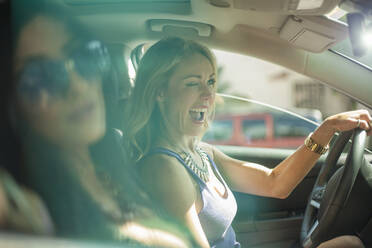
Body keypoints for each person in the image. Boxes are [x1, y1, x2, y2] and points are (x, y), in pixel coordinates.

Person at [125, 37, 371, 248]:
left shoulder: (201, 152)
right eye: (192, 83)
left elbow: (276, 183)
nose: (208, 94)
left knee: (349, 243)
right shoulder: (163, 168)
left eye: (210, 82)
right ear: (160, 92)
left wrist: (326, 130)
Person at [11, 2, 195, 247]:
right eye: (39, 76)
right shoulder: (28, 208)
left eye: (84, 54)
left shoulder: (113, 163)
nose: (77, 85)